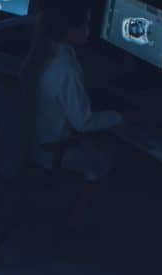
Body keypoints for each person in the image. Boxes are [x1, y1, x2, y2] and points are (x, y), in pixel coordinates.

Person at [22, 0, 138, 197]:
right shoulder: (66, 68)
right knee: (106, 157)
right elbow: (84, 123)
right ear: (70, 30)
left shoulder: (44, 50)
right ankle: (76, 222)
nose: (89, 29)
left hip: (32, 142)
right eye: (86, 23)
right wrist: (123, 116)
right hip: (52, 152)